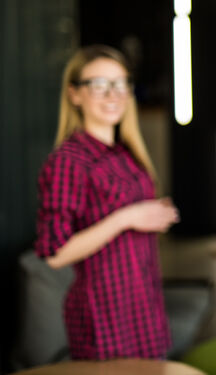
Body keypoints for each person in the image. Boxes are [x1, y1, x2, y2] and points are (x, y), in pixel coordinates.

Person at [35, 45, 178, 360]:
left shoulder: (127, 153)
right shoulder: (69, 161)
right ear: (75, 94)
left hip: (145, 311)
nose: (112, 94)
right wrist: (127, 217)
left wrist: (153, 213)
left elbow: (132, 218)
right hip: (104, 319)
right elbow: (55, 254)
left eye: (120, 83)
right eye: (99, 84)